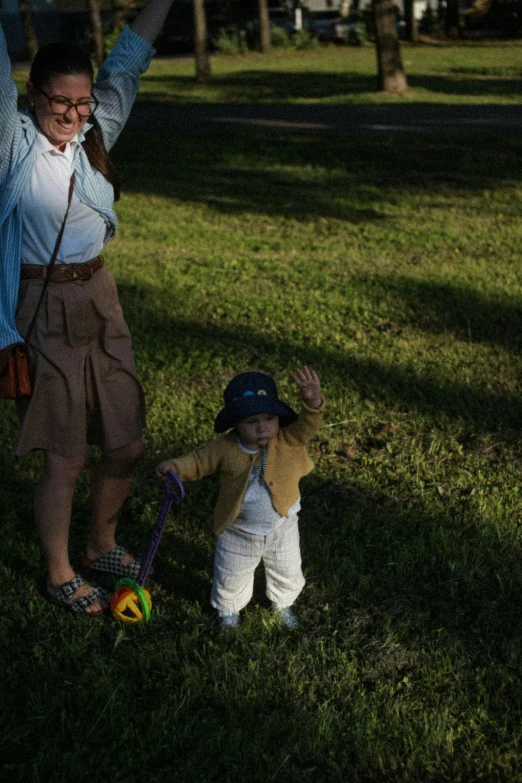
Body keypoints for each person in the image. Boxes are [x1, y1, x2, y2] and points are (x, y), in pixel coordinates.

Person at [0, 0, 178, 614]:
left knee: (126, 439)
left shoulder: (95, 126)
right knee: (67, 452)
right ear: (32, 94)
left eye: (82, 104)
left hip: (101, 296)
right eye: (60, 104)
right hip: (39, 301)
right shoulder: (12, 138)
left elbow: (131, 57)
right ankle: (59, 572)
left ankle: (102, 540)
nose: (74, 117)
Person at [157, 366, 325, 629]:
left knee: (288, 569)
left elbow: (308, 424)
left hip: (283, 525)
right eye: (251, 421)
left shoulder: (287, 439)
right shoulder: (225, 448)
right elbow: (198, 461)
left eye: (269, 418)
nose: (262, 428)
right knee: (231, 574)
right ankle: (229, 612)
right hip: (239, 530)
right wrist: (176, 468)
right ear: (236, 422)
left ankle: (283, 604)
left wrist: (312, 401)